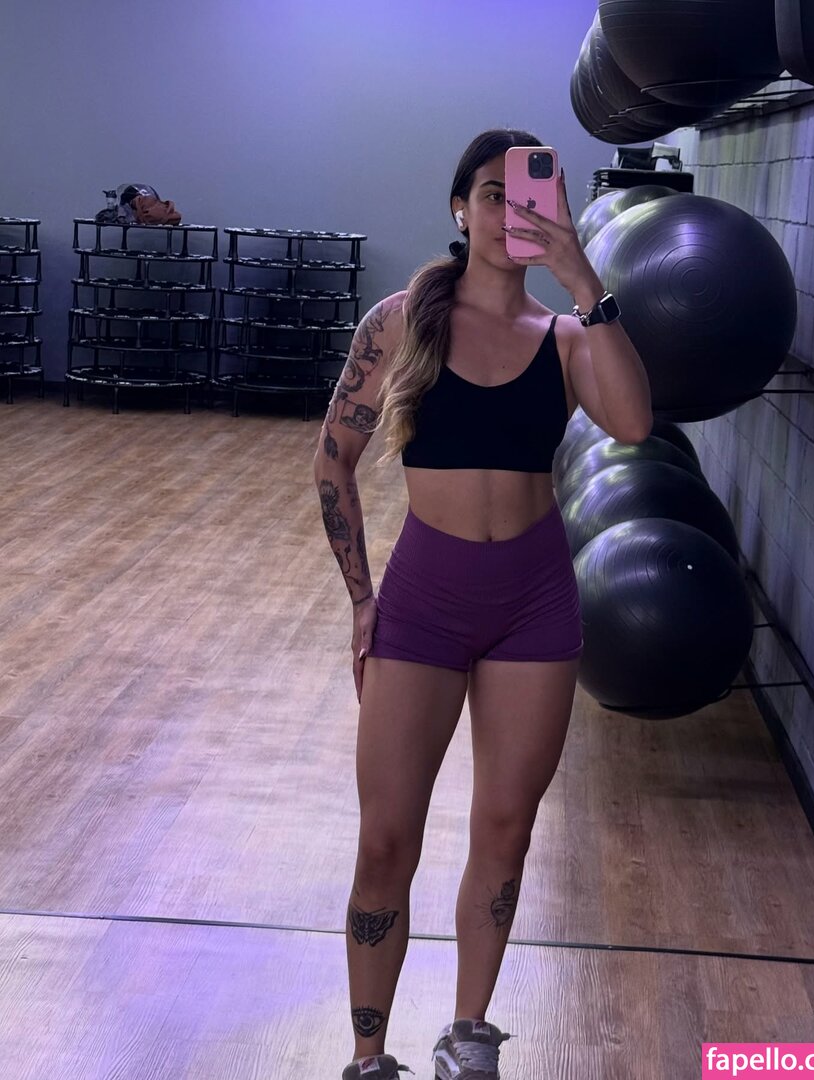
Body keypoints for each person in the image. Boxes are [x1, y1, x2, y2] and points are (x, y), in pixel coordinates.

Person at [312, 128, 652, 1080]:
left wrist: (582, 276)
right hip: (424, 600)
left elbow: (634, 422)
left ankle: (469, 1033)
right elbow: (332, 462)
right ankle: (368, 1056)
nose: (512, 213)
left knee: (506, 828)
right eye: (493, 195)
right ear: (459, 209)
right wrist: (362, 599)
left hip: (533, 605)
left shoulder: (568, 335)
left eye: (531, 196)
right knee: (387, 839)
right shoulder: (399, 323)